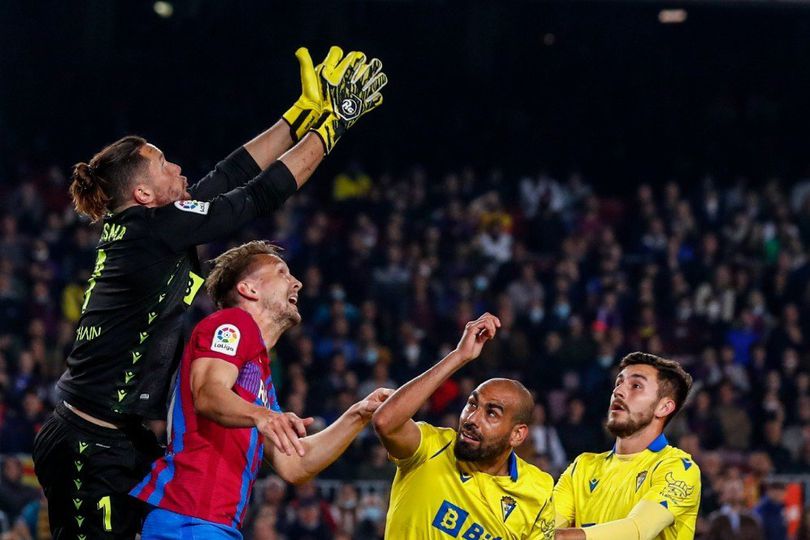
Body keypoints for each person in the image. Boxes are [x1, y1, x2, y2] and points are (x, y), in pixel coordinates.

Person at [33, 46, 387, 539]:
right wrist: (334, 125)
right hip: (88, 442)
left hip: (122, 442)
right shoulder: (157, 233)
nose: (178, 168)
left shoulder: (151, 229)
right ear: (143, 194)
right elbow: (259, 194)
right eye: (163, 163)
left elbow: (230, 174)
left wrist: (297, 117)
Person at [130, 241, 392, 538]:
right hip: (188, 517)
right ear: (248, 289)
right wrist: (262, 415)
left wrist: (359, 414)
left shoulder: (260, 376)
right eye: (282, 272)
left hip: (215, 523)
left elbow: (295, 464)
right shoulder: (231, 323)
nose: (297, 283)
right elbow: (208, 393)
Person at [372, 313, 556, 540]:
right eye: (471, 404)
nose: (472, 419)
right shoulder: (432, 447)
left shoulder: (538, 490)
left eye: (491, 413)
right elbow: (385, 422)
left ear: (517, 434)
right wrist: (460, 356)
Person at [553, 352, 701, 540]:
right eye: (618, 383)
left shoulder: (678, 468)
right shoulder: (582, 468)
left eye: (636, 386)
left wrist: (563, 537)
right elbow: (544, 529)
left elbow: (637, 530)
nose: (618, 392)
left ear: (664, 407)